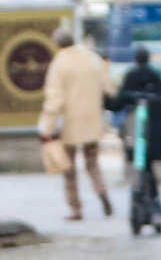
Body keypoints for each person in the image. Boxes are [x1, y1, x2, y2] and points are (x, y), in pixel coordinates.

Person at [37, 24, 114, 220]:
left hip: (69, 124)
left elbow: (55, 100)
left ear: (57, 44)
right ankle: (101, 191)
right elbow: (109, 87)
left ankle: (76, 208)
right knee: (92, 162)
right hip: (92, 120)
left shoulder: (59, 64)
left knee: (69, 168)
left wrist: (47, 127)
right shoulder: (91, 58)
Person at [109, 43, 161, 225]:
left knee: (140, 165)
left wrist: (105, 100)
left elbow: (117, 103)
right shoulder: (156, 77)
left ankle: (142, 197)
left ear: (135, 60)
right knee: (148, 166)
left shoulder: (131, 77)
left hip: (136, 132)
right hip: (154, 133)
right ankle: (154, 200)